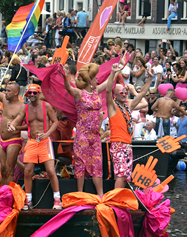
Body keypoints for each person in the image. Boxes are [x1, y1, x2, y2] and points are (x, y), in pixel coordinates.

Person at [8, 84, 61, 210]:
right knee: (27, 172)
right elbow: (17, 119)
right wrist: (12, 125)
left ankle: (57, 199)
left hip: (44, 141)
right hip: (32, 141)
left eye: (34, 93)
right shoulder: (26, 108)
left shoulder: (46, 106)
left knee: (51, 171)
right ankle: (28, 200)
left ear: (38, 93)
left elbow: (56, 122)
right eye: (29, 93)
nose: (31, 95)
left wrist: (47, 133)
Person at [63, 63, 109, 197]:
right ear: (90, 80)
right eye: (95, 78)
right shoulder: (79, 93)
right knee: (80, 163)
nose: (97, 80)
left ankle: (101, 196)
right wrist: (66, 77)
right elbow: (68, 88)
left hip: (95, 136)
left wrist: (116, 71)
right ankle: (80, 194)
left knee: (97, 164)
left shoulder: (96, 91)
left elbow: (108, 82)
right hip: (82, 134)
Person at [106, 63, 153, 189]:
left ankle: (119, 200)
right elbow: (107, 90)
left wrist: (150, 79)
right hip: (118, 145)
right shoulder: (112, 106)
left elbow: (142, 95)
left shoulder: (128, 105)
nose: (124, 93)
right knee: (121, 176)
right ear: (115, 95)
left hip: (127, 145)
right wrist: (112, 73)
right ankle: (115, 201)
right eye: (121, 92)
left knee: (125, 176)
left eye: (125, 91)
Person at [0, 62, 24, 185]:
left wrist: (17, 127)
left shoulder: (22, 107)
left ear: (16, 93)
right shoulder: (4, 100)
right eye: (6, 90)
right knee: (3, 169)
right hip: (2, 141)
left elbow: (28, 126)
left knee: (9, 170)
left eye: (8, 91)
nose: (5, 92)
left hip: (14, 140)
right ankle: (3, 193)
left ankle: (10, 195)